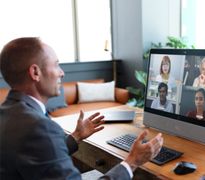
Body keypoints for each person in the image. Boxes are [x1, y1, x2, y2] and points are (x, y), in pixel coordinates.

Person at [0, 37, 163, 180]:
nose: (62, 73)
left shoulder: (7, 113)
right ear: (35, 72)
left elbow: (37, 153)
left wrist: (76, 136)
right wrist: (132, 162)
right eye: (56, 65)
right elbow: (40, 142)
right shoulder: (40, 128)